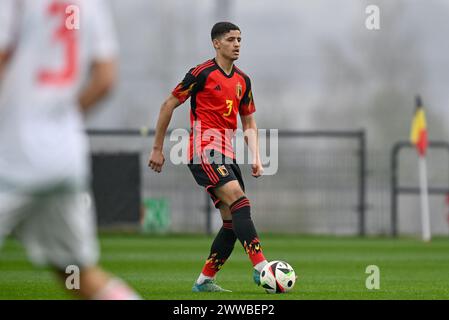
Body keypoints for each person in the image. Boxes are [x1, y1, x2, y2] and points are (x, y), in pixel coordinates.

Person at [0, 0, 140, 300]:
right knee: (77, 274)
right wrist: (58, 117)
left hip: (12, 154)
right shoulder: (90, 4)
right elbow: (105, 79)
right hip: (64, 156)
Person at [149, 21, 268, 292]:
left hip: (227, 152)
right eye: (230, 39)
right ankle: (262, 267)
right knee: (240, 199)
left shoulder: (243, 80)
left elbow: (249, 123)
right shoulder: (201, 73)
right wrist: (157, 148)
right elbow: (169, 104)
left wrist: (257, 157)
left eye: (240, 39)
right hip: (203, 149)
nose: (237, 44)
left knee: (231, 220)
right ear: (216, 43)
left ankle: (204, 281)